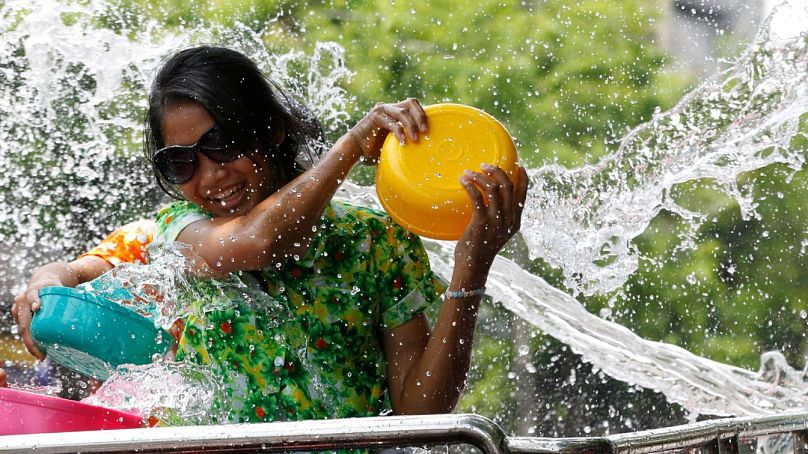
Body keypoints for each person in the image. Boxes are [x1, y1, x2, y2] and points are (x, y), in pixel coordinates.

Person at [12, 45, 528, 420]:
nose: (210, 175)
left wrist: (472, 265)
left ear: (274, 130)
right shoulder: (179, 232)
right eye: (180, 162)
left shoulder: (376, 240)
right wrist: (44, 278)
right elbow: (253, 243)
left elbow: (421, 412)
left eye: (223, 143)